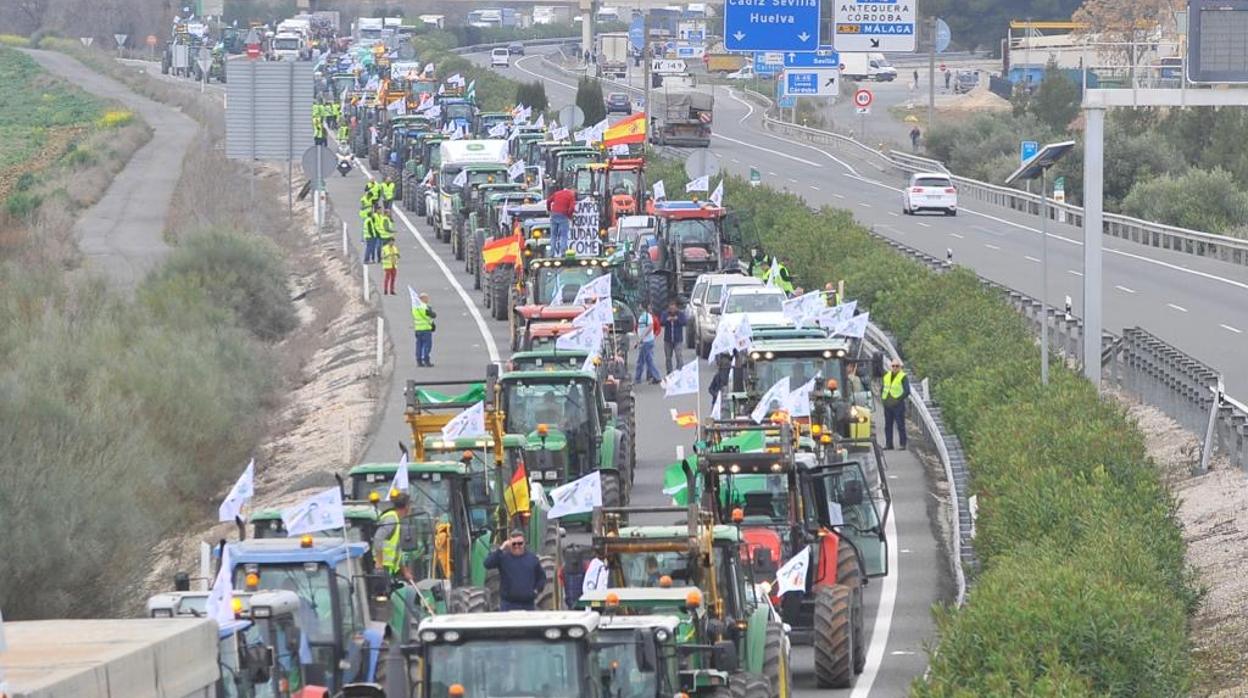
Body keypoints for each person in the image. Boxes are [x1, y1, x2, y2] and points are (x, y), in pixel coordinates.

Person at [484, 530, 547, 611]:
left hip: (528, 605)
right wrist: (501, 548)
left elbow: (542, 578)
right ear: (509, 544)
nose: (517, 546)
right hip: (507, 605)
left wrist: (536, 590)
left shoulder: (532, 559)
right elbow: (487, 564)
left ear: (524, 543)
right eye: (514, 544)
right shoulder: (503, 558)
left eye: (520, 543)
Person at [373, 492, 415, 583]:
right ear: (406, 506)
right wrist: (379, 563)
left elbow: (396, 551)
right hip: (382, 569)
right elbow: (378, 538)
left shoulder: (396, 520)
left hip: (390, 569)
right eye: (410, 505)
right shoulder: (391, 519)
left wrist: (405, 571)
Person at [881, 359, 910, 450]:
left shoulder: (903, 376)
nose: (895, 368)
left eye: (897, 366)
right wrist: (883, 399)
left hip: (898, 405)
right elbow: (883, 388)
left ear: (900, 367)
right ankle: (889, 444)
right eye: (893, 366)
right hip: (888, 404)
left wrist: (898, 399)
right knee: (888, 425)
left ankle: (902, 444)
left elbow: (907, 391)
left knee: (900, 425)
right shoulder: (887, 376)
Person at [634, 305, 661, 385]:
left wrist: (641, 338)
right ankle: (638, 378)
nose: (638, 307)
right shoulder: (641, 317)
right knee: (642, 361)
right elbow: (639, 328)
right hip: (644, 341)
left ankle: (657, 377)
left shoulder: (647, 316)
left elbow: (650, 327)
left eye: (640, 306)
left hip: (647, 341)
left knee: (648, 360)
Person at [545, 186, 576, 257]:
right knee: (563, 235)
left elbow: (548, 201)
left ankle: (551, 253)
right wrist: (569, 216)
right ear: (572, 190)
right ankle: (563, 253)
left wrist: (549, 210)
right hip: (563, 215)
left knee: (553, 235)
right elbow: (572, 208)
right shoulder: (571, 195)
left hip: (554, 214)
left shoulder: (557, 193)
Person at [660, 301, 686, 374]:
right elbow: (661, 322)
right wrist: (667, 320)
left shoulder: (680, 314)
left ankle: (679, 371)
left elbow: (685, 322)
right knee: (668, 357)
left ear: (676, 307)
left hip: (678, 340)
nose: (672, 310)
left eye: (673, 308)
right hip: (668, 340)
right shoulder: (665, 314)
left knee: (679, 355)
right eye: (670, 308)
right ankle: (669, 372)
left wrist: (677, 319)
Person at [413, 293, 437, 367]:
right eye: (426, 298)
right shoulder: (425, 307)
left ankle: (419, 360)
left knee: (419, 345)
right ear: (423, 299)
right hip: (426, 329)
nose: (428, 299)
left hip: (418, 329)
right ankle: (426, 360)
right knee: (427, 345)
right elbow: (432, 315)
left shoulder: (415, 308)